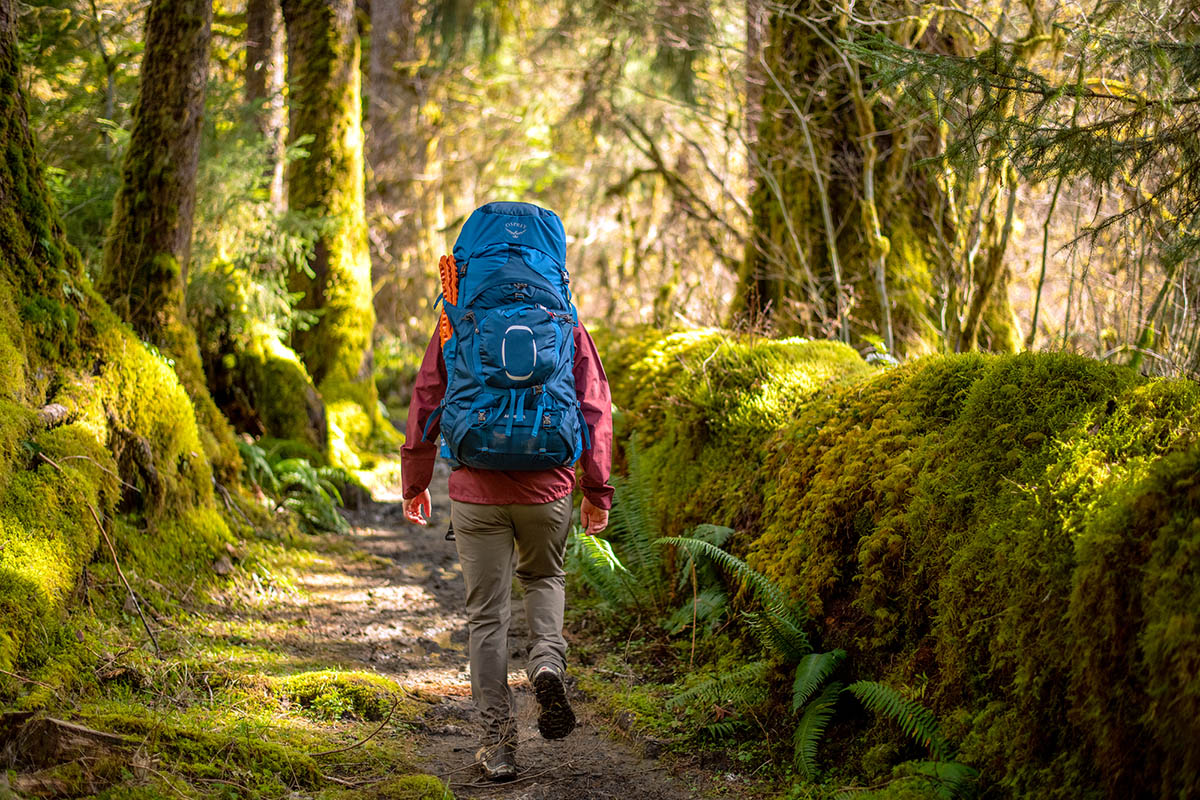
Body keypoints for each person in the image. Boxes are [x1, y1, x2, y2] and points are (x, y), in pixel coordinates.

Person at [400, 264, 614, 781]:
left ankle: (498, 745)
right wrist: (597, 488)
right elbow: (594, 404)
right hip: (548, 486)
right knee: (544, 578)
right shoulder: (563, 317)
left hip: (476, 488)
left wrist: (416, 479)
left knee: (487, 617)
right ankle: (545, 662)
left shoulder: (457, 316)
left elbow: (428, 393)